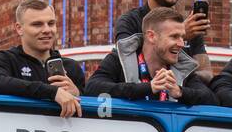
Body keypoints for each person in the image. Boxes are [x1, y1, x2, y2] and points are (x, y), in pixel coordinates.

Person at [84, 7, 216, 106]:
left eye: (182, 37)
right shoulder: (119, 59)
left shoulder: (182, 67)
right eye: (174, 36)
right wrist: (148, 88)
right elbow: (92, 88)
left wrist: (180, 92)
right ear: (151, 36)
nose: (181, 44)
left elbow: (212, 100)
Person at [114, 0, 212, 80]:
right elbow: (128, 64)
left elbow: (207, 75)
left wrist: (182, 81)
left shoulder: (190, 26)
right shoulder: (129, 21)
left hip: (179, 97)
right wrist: (182, 35)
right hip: (138, 96)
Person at [0, 0, 85, 118]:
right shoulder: (6, 59)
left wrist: (78, 94)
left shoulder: (72, 67)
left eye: (51, 23)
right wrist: (52, 92)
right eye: (37, 24)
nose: (47, 30)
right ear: (19, 28)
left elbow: (92, 110)